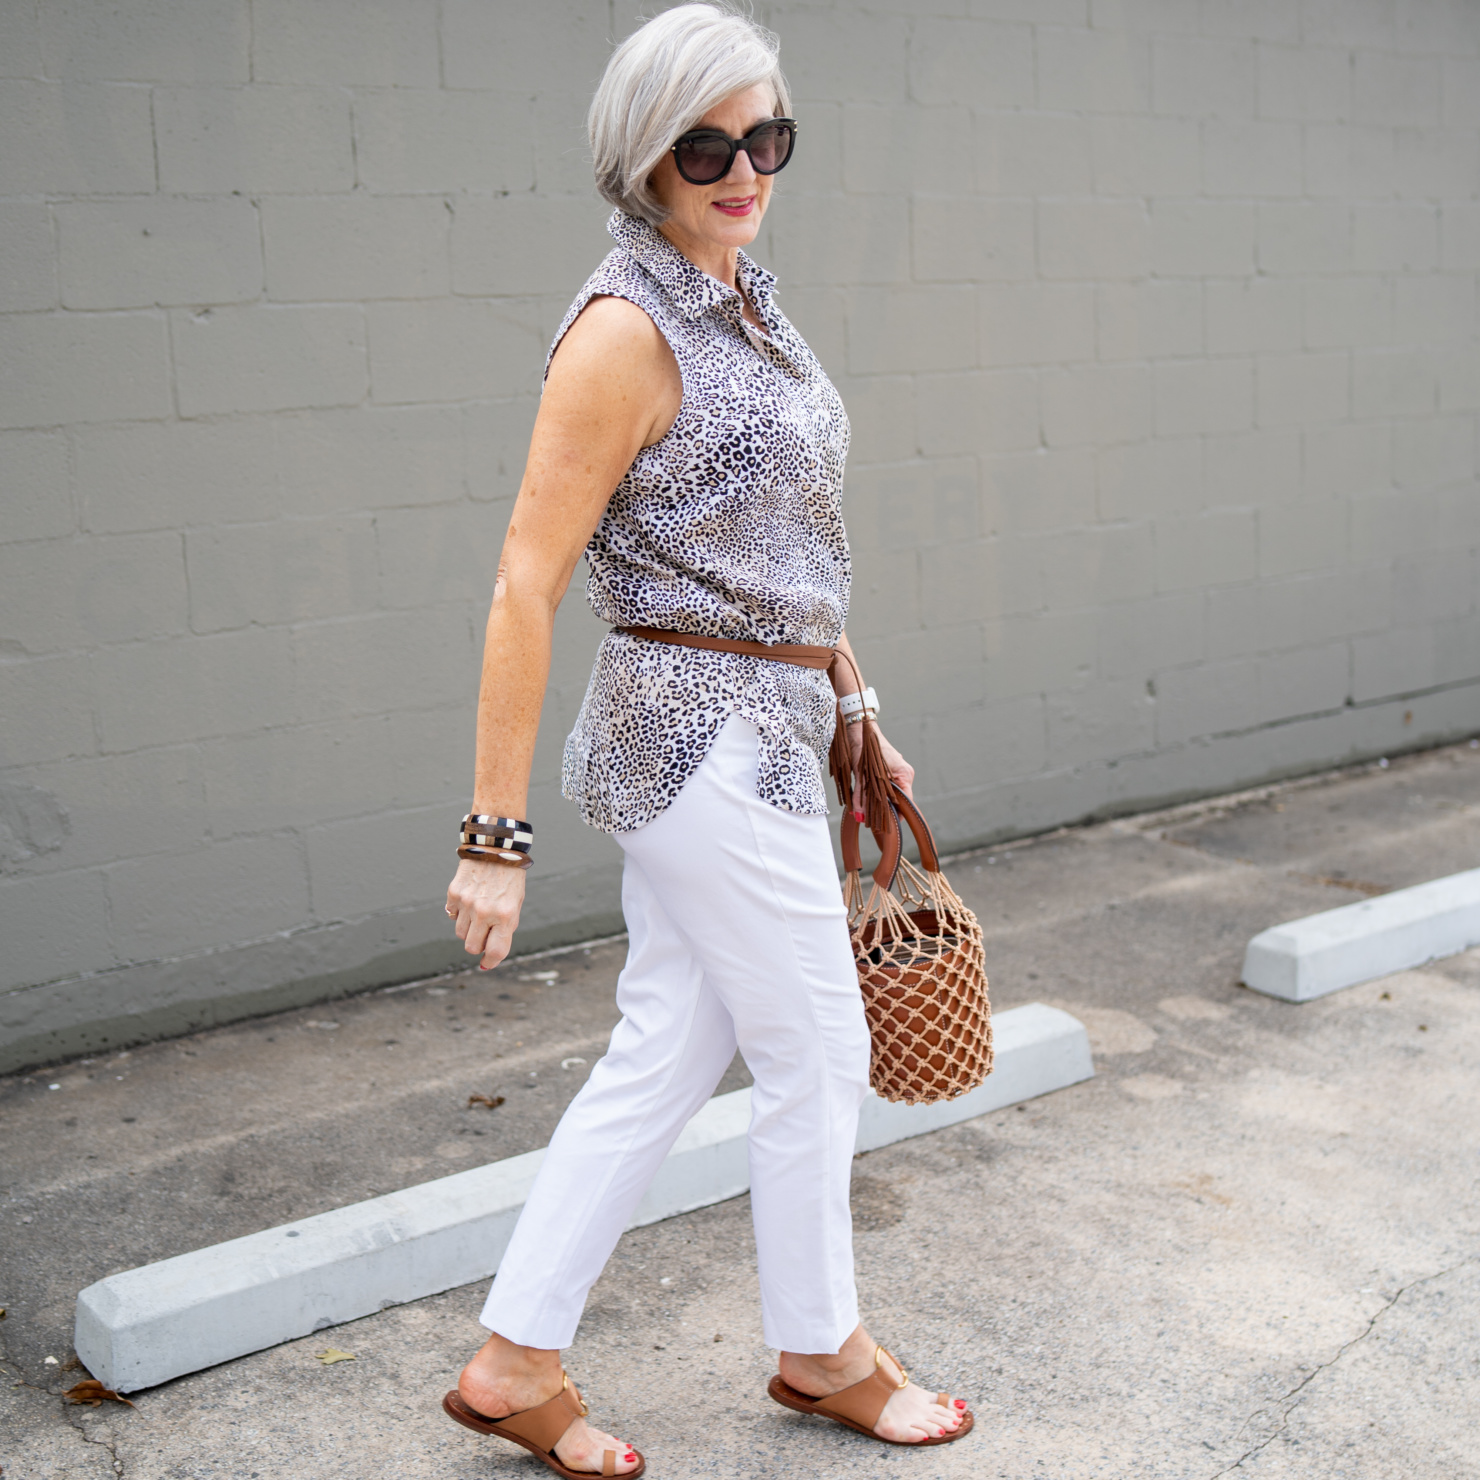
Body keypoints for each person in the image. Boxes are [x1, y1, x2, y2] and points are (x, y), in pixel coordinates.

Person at [440, 6, 972, 1474]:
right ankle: (821, 1351)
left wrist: (855, 705)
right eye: (709, 146)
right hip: (697, 740)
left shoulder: (744, 297)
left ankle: (515, 1358)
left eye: (768, 137)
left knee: (669, 1047)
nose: (747, 170)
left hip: (772, 727)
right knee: (822, 1045)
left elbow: (785, 545)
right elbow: (524, 583)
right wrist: (494, 837)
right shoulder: (624, 330)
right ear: (644, 158)